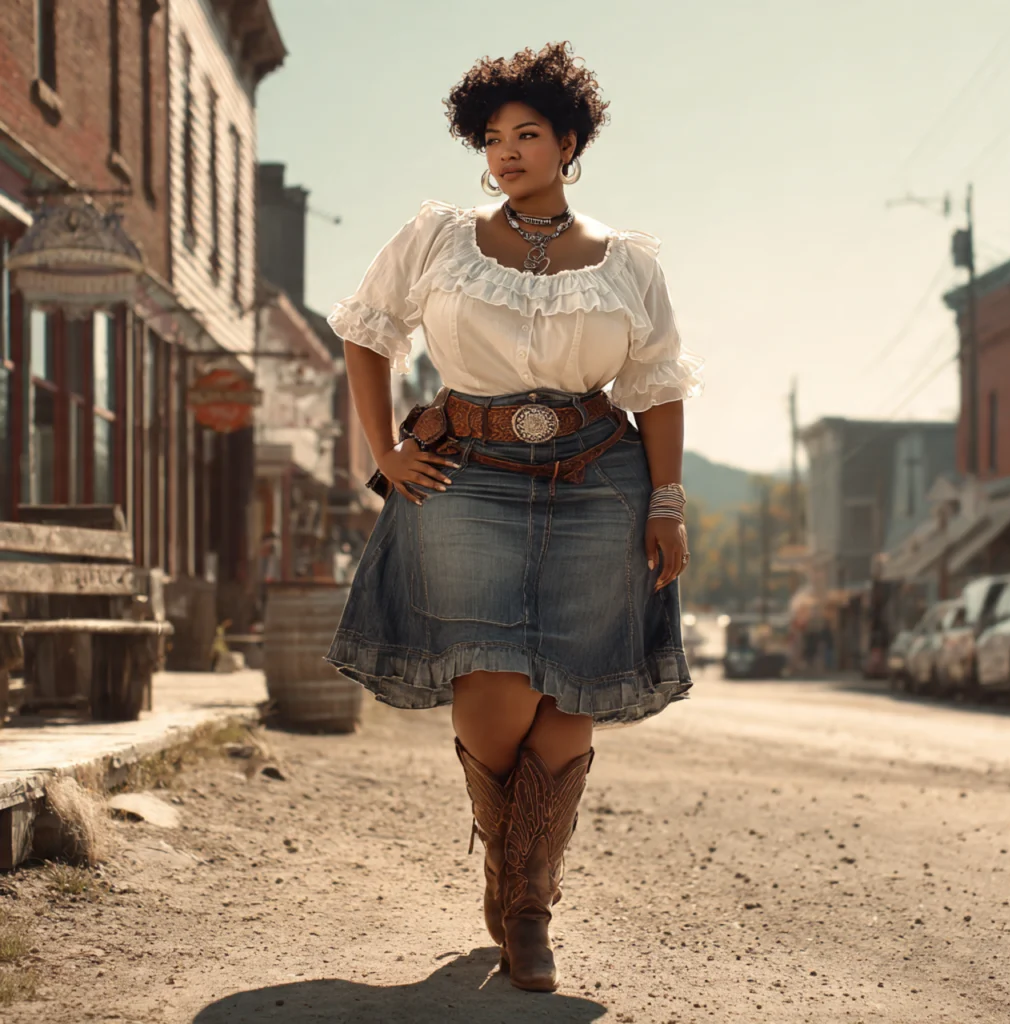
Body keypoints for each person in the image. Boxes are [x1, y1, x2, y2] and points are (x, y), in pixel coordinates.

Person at [325, 41, 704, 992]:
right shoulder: (439, 238)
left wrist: (667, 502)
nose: (506, 152)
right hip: (468, 478)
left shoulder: (628, 263)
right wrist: (382, 449)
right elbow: (366, 334)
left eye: (527, 134)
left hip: (597, 479)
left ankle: (528, 901)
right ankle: (510, 861)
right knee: (492, 689)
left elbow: (655, 386)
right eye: (491, 138)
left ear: (569, 141)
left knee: (571, 690)